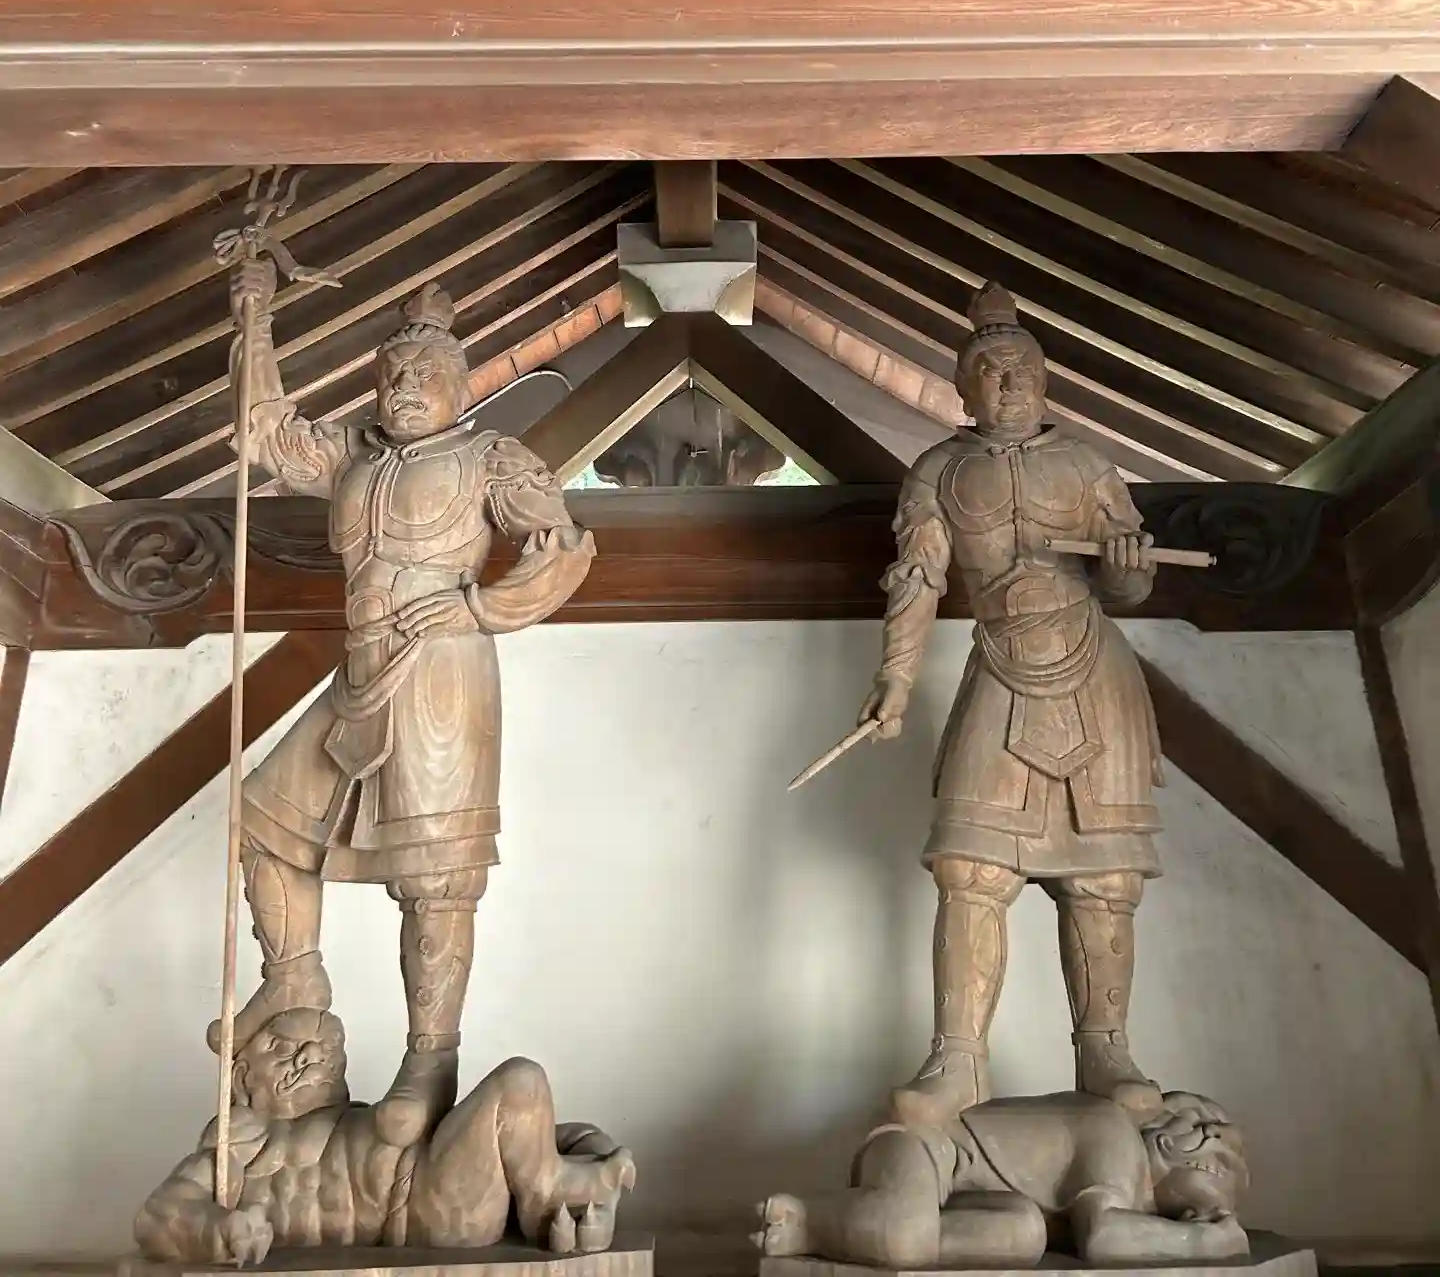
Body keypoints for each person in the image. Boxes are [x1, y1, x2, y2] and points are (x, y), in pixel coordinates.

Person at [220, 266, 594, 1144]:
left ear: (462, 384)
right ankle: (294, 976)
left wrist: (479, 607)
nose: (406, 385)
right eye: (393, 373)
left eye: (426, 373)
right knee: (263, 821)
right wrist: (255, 312)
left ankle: (430, 1059)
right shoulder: (353, 453)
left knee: (434, 879)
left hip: (442, 677)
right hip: (359, 669)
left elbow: (562, 546)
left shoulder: (490, 458)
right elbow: (266, 432)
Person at [860, 282, 1162, 1125]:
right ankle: (957, 1059)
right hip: (998, 662)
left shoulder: (1089, 464)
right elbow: (917, 579)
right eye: (990, 371)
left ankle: (1106, 1050)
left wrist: (1128, 566)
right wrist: (895, 677)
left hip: (1095, 669)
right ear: (964, 390)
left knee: (1104, 877)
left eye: (1022, 367)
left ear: (1045, 377)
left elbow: (1130, 587)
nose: (1009, 382)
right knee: (971, 867)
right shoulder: (939, 471)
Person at [136, 1009, 636, 1265]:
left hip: (436, 1195)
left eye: (326, 1045)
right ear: (242, 1075)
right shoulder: (234, 1149)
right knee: (521, 1083)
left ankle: (557, 1196)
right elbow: (158, 1214)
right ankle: (566, 1194)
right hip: (425, 1224)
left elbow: (522, 1134)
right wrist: (218, 1230)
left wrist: (591, 1145)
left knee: (521, 1083)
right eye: (282, 1047)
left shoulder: (361, 1120)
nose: (310, 1055)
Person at [756, 1090, 1248, 1270]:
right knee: (905, 1236)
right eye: (1205, 1124)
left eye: (1222, 1160)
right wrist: (1206, 1242)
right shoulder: (1116, 1133)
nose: (1212, 1134)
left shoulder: (1136, 1193)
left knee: (1025, 1234)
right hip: (924, 1147)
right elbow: (1103, 1238)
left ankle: (862, 1225)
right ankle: (810, 1220)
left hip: (974, 1199)